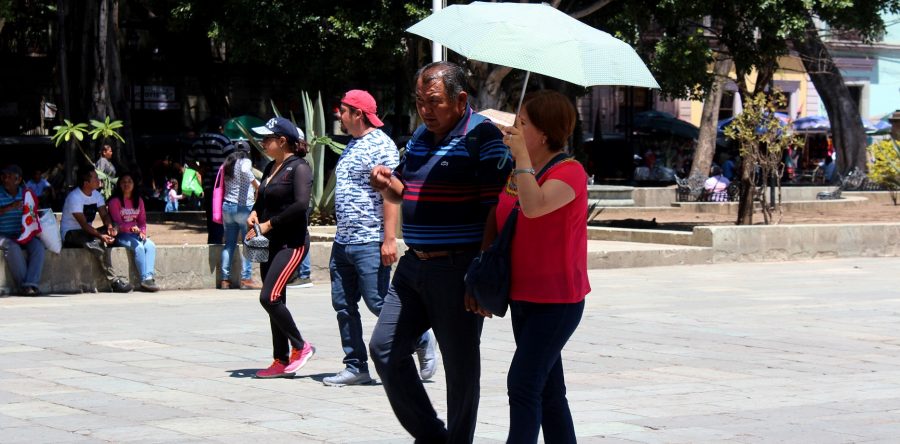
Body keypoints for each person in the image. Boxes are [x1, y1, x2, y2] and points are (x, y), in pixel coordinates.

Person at [368, 61, 511, 442]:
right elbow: (403, 191)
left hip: (457, 267)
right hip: (414, 266)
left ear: (461, 99)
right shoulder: (418, 137)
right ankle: (433, 435)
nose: (425, 110)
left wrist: (479, 272)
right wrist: (386, 184)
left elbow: (494, 211)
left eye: (433, 102)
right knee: (384, 348)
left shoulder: (483, 137)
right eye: (419, 102)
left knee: (460, 367)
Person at [322, 90, 436, 387]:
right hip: (344, 241)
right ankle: (355, 366)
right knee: (343, 306)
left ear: (357, 114)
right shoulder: (353, 144)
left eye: (343, 110)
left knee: (377, 301)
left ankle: (421, 338)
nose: (339, 115)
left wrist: (388, 239)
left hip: (369, 240)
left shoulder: (380, 145)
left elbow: (390, 194)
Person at [496, 90, 589, 443]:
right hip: (524, 295)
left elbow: (534, 207)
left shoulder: (570, 172)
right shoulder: (520, 170)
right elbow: (501, 213)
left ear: (544, 133)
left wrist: (520, 157)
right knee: (549, 391)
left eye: (522, 123)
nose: (514, 127)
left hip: (558, 299)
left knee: (522, 384)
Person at [246, 117, 316, 379]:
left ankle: (301, 347)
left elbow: (300, 205)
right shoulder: (269, 167)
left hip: (292, 243)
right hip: (270, 244)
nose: (263, 142)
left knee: (269, 297)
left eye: (267, 138)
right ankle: (280, 359)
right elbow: (261, 198)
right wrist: (254, 214)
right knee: (276, 301)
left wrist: (269, 224)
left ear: (282, 141)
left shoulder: (299, 168)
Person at [61, 168, 133, 293]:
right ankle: (113, 281)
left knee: (115, 225)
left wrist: (110, 227)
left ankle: (111, 239)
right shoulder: (75, 197)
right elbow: (84, 225)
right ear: (86, 182)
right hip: (72, 234)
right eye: (95, 178)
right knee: (96, 242)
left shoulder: (96, 195)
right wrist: (101, 236)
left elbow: (104, 215)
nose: (98, 180)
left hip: (87, 232)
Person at [107, 172, 159, 292]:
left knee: (150, 245)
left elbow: (142, 221)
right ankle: (144, 279)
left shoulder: (138, 200)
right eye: (123, 182)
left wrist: (142, 232)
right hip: (120, 235)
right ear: (119, 184)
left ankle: (149, 277)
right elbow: (117, 223)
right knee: (139, 247)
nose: (127, 184)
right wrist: (131, 228)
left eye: (129, 181)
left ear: (134, 184)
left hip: (135, 234)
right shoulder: (114, 202)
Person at [219, 141, 260, 290]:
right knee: (247, 242)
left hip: (227, 206)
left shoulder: (228, 164)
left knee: (229, 244)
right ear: (248, 152)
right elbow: (253, 182)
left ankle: (225, 279)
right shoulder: (245, 163)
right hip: (243, 208)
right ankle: (246, 279)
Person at [0, 165, 45, 296]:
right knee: (12, 247)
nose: (4, 179)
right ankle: (25, 286)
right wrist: (10, 207)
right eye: (3, 176)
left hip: (22, 234)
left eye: (8, 176)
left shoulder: (26, 193)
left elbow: (34, 210)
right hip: (3, 235)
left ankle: (31, 284)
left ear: (18, 180)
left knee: (38, 247)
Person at [188, 118, 233, 244]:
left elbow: (188, 159)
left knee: (211, 216)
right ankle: (221, 243)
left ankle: (213, 242)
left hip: (208, 184)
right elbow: (233, 160)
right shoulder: (223, 139)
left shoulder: (198, 141)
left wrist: (200, 169)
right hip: (223, 184)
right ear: (220, 128)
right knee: (223, 215)